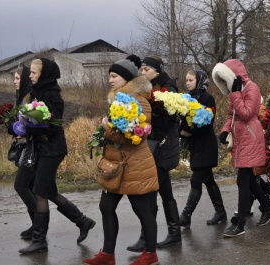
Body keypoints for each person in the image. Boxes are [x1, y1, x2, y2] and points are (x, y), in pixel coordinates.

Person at [82, 55, 159, 265]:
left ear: (126, 78)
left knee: (143, 210)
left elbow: (135, 138)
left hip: (135, 165)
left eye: (114, 76)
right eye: (110, 76)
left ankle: (150, 254)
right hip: (116, 165)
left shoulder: (140, 101)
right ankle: (108, 255)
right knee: (106, 207)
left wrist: (107, 130)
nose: (110, 80)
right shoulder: (119, 100)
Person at [18, 58, 96, 254]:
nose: (30, 75)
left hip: (52, 149)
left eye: (34, 73)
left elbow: (53, 125)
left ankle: (39, 240)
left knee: (40, 192)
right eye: (31, 73)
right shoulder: (37, 92)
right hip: (42, 149)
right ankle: (83, 221)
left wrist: (32, 127)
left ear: (44, 74)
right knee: (49, 191)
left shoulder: (52, 94)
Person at [212, 59, 270, 237]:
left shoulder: (252, 88)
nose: (225, 84)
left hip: (251, 137)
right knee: (248, 180)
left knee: (243, 180)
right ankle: (268, 207)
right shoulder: (235, 91)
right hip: (241, 139)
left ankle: (240, 223)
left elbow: (247, 113)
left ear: (234, 76)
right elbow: (230, 115)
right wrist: (225, 131)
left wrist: (235, 95)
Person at [126, 55, 181, 251]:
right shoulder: (148, 87)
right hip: (154, 146)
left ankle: (148, 237)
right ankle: (173, 233)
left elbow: (169, 117)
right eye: (141, 69)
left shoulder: (168, 88)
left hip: (163, 147)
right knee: (164, 191)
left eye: (146, 69)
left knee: (153, 192)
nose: (142, 73)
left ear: (157, 70)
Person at [178, 69, 226, 229]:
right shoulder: (187, 99)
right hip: (195, 146)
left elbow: (206, 124)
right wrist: (181, 130)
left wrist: (188, 130)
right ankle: (221, 212)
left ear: (199, 81)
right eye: (186, 80)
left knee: (196, 179)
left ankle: (186, 215)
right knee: (208, 180)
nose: (188, 83)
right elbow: (182, 124)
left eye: (191, 80)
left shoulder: (207, 99)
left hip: (206, 145)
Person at [8, 66, 36, 240]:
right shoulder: (22, 98)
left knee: (21, 186)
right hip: (28, 148)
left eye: (17, 78)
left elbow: (33, 124)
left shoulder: (30, 98)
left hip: (34, 149)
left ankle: (39, 225)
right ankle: (36, 226)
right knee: (32, 189)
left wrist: (22, 128)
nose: (14, 81)